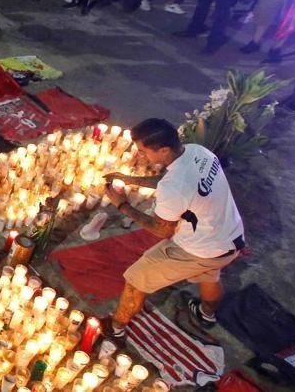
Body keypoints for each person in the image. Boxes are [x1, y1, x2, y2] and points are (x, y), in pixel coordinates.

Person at [102, 118, 246, 340]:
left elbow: (162, 230)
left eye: (143, 151)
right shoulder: (197, 152)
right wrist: (131, 179)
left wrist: (122, 205)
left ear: (164, 150)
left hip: (201, 248)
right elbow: (173, 178)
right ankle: (207, 314)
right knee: (209, 275)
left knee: (136, 280)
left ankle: (116, 327)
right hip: (229, 237)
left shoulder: (174, 188)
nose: (140, 155)